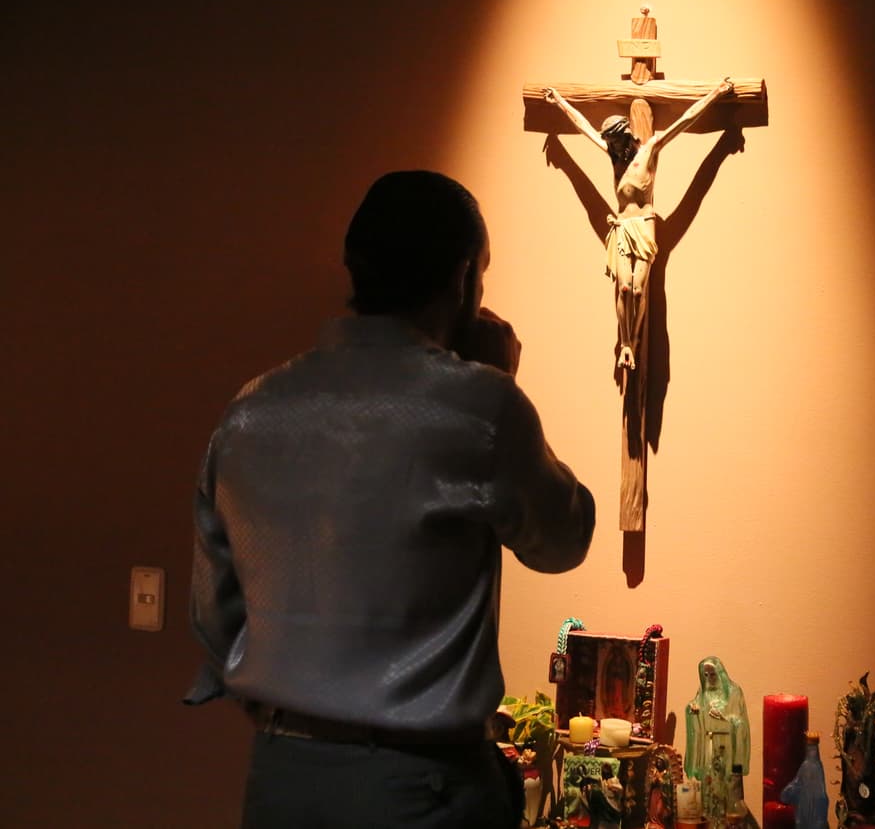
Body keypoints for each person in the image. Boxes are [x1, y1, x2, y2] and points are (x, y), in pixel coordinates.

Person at [184, 170, 596, 828]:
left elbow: (213, 614)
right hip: (418, 787)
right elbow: (562, 539)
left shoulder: (250, 411)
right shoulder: (480, 407)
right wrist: (495, 382)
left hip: (281, 779)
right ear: (464, 278)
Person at [543, 78, 734, 370]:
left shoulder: (650, 149)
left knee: (637, 290)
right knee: (622, 287)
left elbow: (685, 119)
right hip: (621, 227)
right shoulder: (614, 156)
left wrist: (715, 95)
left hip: (644, 225)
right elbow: (583, 128)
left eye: (614, 142)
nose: (610, 147)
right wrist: (559, 102)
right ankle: (627, 343)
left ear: (624, 136)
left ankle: (634, 339)